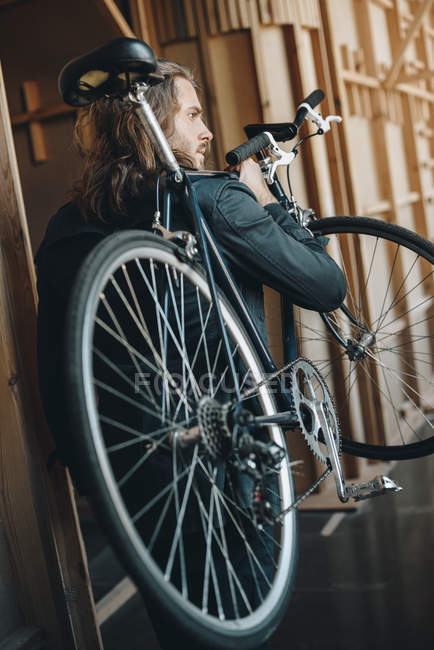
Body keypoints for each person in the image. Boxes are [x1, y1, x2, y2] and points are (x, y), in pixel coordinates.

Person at [36, 57, 346, 650]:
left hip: (126, 464)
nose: (207, 133)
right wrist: (266, 201)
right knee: (245, 616)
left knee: (184, 628)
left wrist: (82, 463)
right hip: (226, 451)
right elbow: (324, 285)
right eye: (194, 114)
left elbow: (55, 359)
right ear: (151, 123)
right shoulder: (213, 199)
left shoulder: (66, 225)